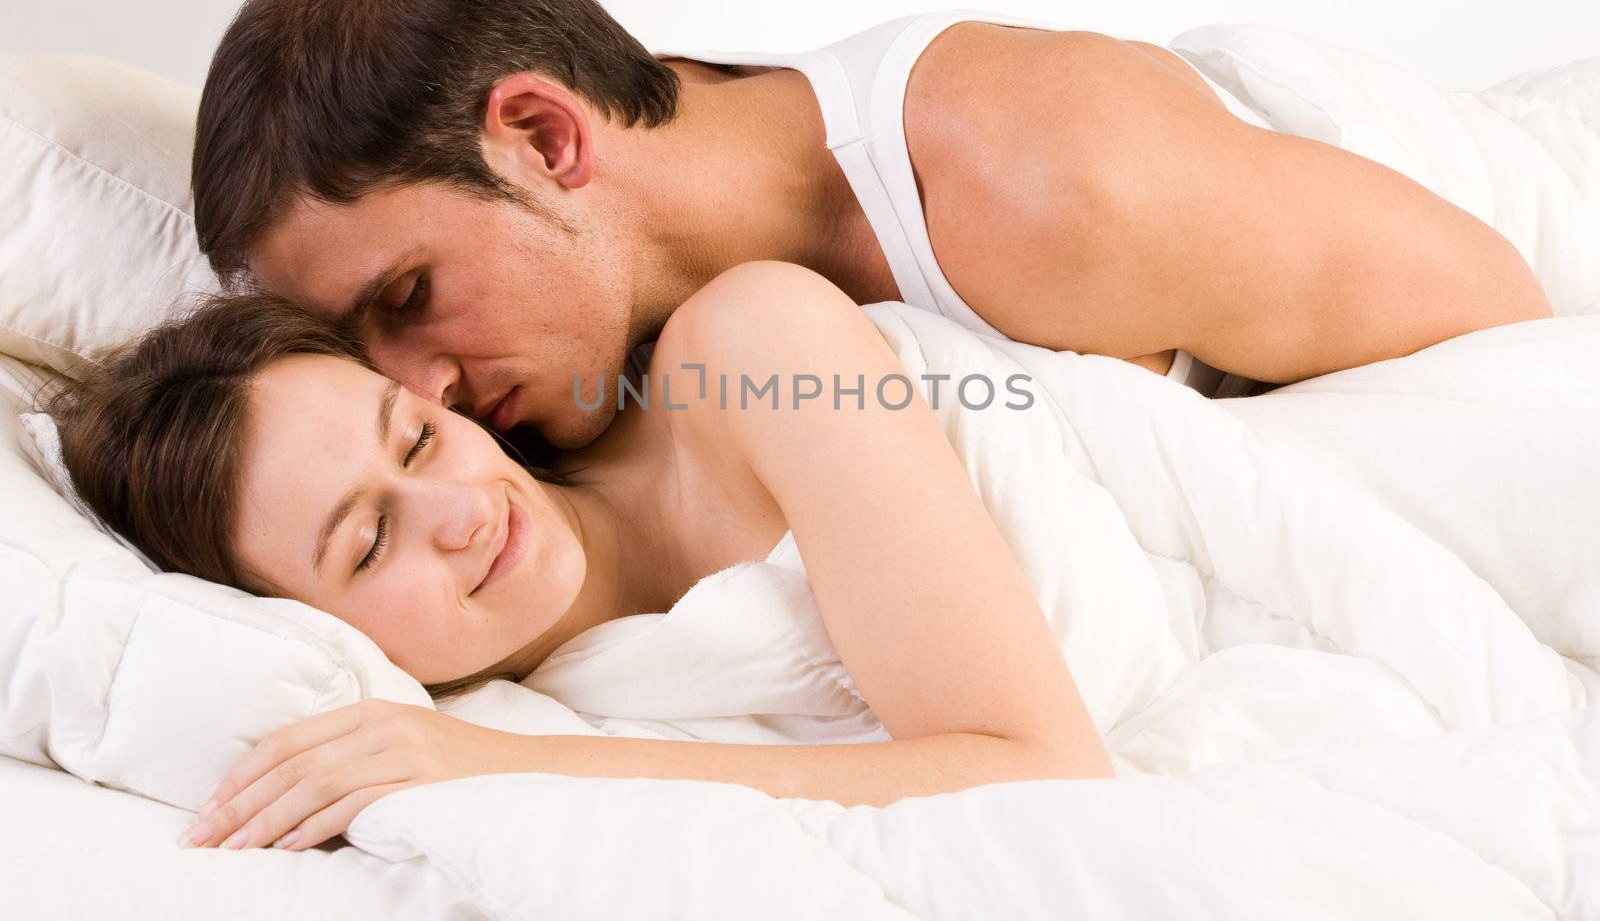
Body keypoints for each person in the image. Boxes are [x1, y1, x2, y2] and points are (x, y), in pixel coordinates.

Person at [190, 0, 1552, 452]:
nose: (413, 388)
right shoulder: (624, 256)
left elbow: (1505, 321)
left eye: (410, 296)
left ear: (546, 136)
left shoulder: (1050, 188)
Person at [48, 261, 1113, 854]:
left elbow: (1044, 769)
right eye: (370, 541)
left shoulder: (746, 351)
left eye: (416, 437)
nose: (459, 513)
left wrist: (499, 763)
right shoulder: (490, 722)